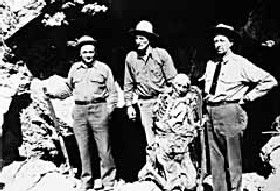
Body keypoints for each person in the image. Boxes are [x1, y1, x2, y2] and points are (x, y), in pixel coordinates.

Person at [203, 24, 278, 191]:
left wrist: (249, 97)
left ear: (231, 43)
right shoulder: (211, 63)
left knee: (233, 157)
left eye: (222, 40)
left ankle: (235, 189)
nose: (218, 44)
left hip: (230, 111)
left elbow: (269, 81)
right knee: (215, 158)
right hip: (211, 112)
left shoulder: (240, 63)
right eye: (215, 40)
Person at [45, 35, 117, 191]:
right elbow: (68, 89)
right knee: (83, 148)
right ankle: (87, 181)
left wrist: (108, 110)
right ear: (80, 54)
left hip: (99, 109)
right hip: (80, 111)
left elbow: (112, 92)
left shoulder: (103, 69)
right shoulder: (75, 69)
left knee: (104, 148)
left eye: (91, 52)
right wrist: (52, 93)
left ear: (95, 52)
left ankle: (109, 182)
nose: (88, 55)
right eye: (85, 52)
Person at [124, 20, 177, 146]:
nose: (138, 42)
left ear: (149, 39)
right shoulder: (131, 58)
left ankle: (166, 165)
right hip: (144, 103)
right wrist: (129, 106)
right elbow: (128, 84)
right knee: (150, 139)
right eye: (136, 39)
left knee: (165, 136)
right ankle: (152, 164)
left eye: (141, 38)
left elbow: (173, 81)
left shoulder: (161, 54)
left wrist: (169, 101)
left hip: (162, 102)